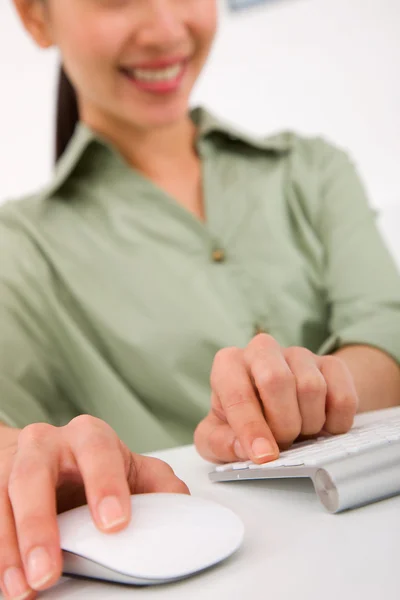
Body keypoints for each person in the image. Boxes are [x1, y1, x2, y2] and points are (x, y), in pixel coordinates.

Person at [1, 0, 400, 598]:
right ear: (35, 18)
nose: (166, 29)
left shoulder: (313, 170)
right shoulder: (17, 250)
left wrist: (309, 387)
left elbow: (386, 331)